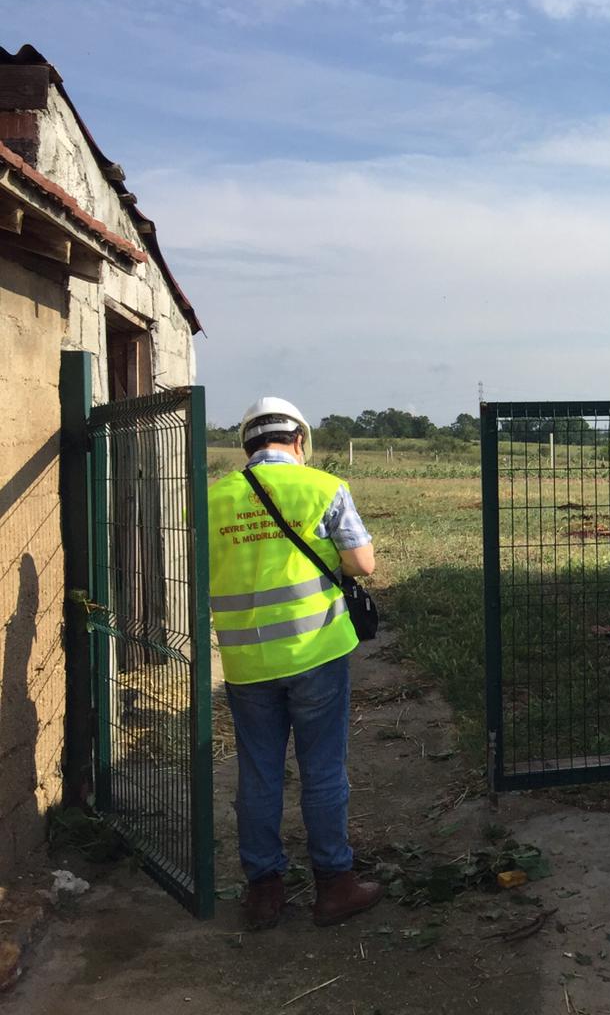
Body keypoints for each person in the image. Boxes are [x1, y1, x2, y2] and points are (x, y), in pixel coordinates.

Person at [208, 397, 384, 932]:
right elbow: (362, 563)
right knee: (323, 768)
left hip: (245, 662)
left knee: (258, 774)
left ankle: (263, 892)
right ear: (299, 441)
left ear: (247, 446)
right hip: (315, 654)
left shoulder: (212, 500)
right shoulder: (324, 487)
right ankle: (335, 884)